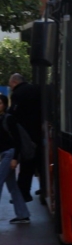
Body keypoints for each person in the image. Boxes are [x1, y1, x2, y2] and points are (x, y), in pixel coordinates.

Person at [7, 73, 43, 203]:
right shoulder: (36, 89)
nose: (10, 87)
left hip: (26, 134)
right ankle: (44, 189)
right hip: (40, 132)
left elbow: (13, 113)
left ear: (14, 82)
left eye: (10, 84)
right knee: (41, 163)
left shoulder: (18, 93)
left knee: (27, 165)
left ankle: (23, 193)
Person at [0, 94, 31, 224]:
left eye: (0, 103)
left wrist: (14, 158)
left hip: (9, 154)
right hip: (3, 154)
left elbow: (17, 140)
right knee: (12, 186)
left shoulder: (9, 119)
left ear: (5, 105)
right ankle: (23, 214)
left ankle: (22, 214)